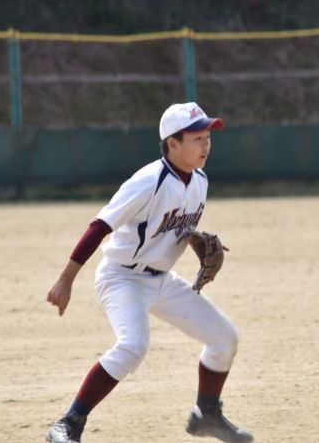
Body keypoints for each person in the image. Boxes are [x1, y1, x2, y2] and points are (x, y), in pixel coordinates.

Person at [45, 102, 253, 443]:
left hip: (162, 279)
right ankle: (68, 423)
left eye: (208, 136)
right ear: (173, 143)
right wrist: (65, 280)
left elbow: (172, 227)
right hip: (122, 277)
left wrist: (195, 240)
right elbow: (100, 226)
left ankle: (207, 414)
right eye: (197, 138)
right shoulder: (147, 182)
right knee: (134, 345)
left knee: (225, 337)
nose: (206, 144)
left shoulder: (200, 180)